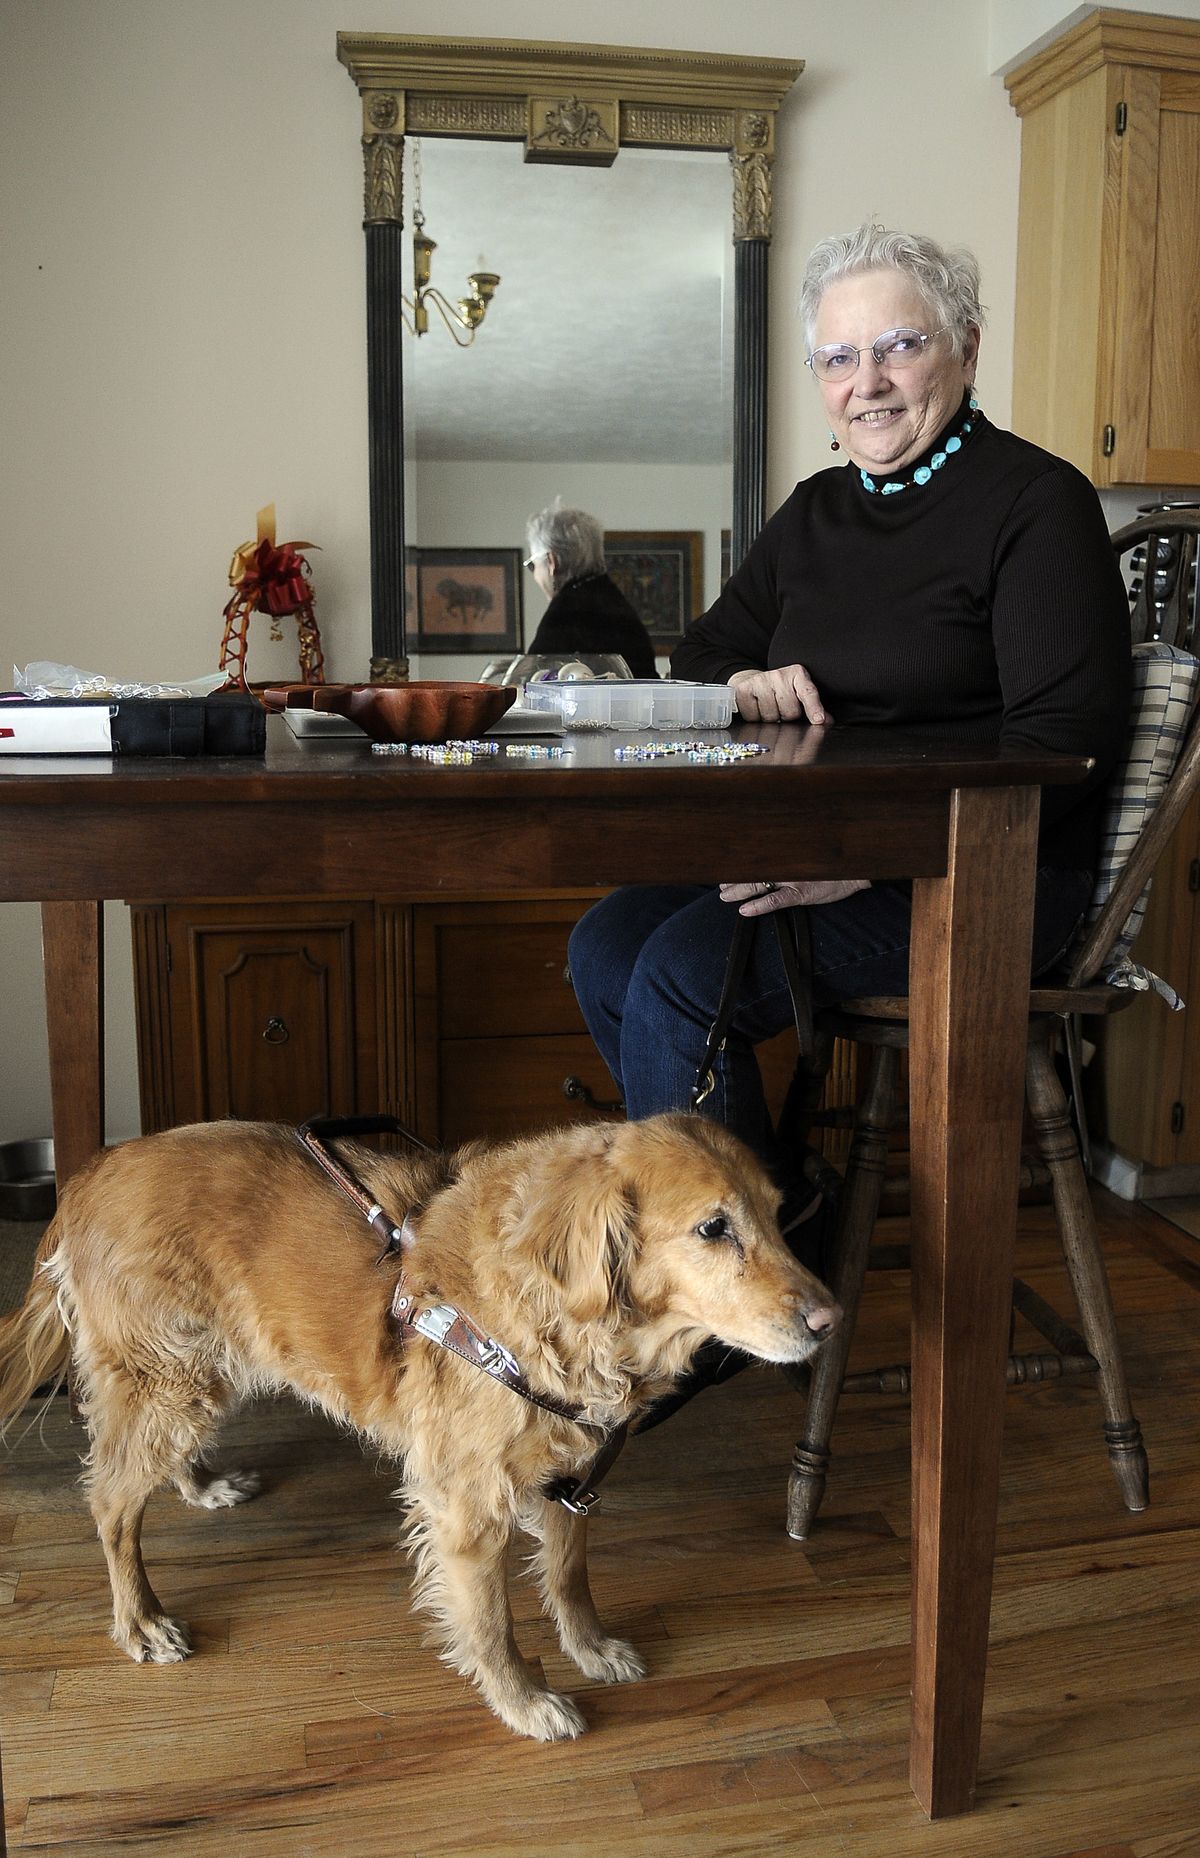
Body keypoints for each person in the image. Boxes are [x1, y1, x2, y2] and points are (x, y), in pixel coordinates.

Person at [568, 221, 1132, 1261]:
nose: (866, 382)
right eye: (838, 357)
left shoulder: (1037, 503)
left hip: (981, 872)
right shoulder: (815, 513)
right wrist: (742, 677)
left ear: (964, 345)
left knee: (687, 973)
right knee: (603, 942)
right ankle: (788, 1224)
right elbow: (694, 663)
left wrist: (866, 859)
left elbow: (1064, 749)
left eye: (898, 347)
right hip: (821, 856)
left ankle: (735, 1280)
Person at [524, 505, 659, 678]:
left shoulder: (566, 612)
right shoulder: (611, 597)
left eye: (533, 565)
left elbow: (531, 684)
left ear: (551, 562)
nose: (535, 574)